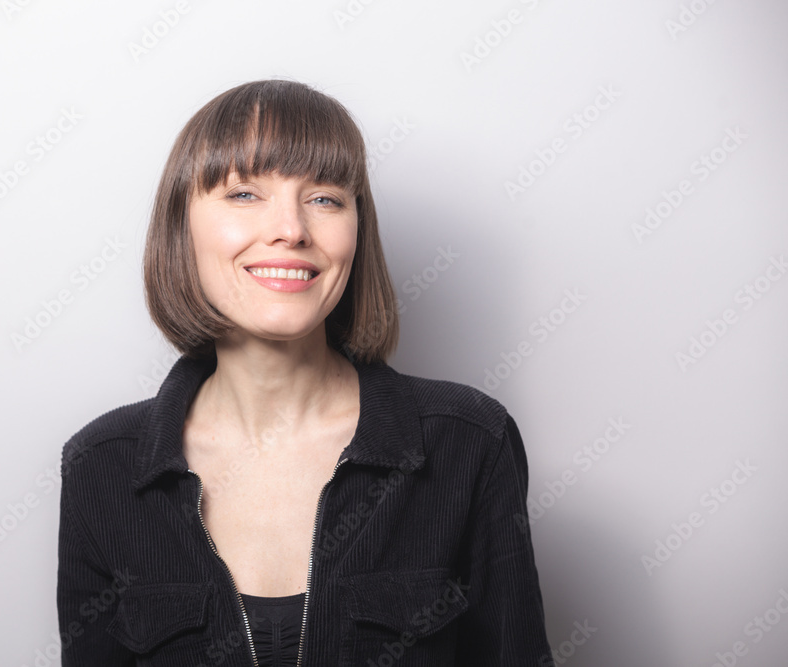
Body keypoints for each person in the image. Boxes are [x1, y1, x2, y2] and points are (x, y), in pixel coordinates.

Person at [56, 78, 553, 666]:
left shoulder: (469, 442)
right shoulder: (101, 466)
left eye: (324, 199)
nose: (291, 229)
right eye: (244, 194)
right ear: (180, 227)